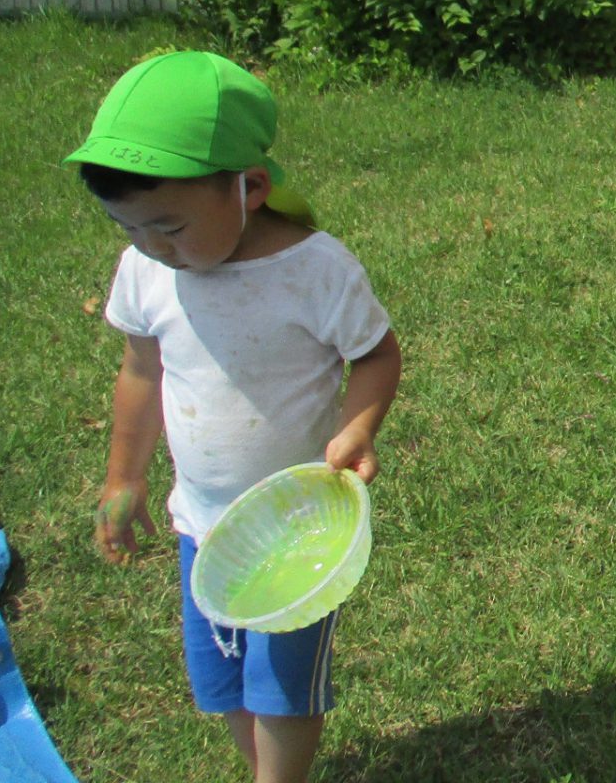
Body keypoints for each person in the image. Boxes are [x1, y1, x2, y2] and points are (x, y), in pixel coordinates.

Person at [70, 50, 402, 783]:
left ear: (250, 188)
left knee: (281, 690)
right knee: (221, 685)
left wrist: (357, 428)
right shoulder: (148, 270)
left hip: (297, 532)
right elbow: (141, 372)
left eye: (170, 227)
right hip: (202, 527)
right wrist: (124, 477)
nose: (153, 249)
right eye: (130, 229)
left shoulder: (314, 270)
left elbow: (377, 354)